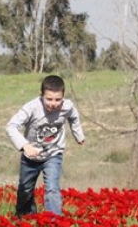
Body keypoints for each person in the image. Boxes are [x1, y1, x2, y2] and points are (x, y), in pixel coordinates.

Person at [5, 75, 85, 217]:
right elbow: (11, 126)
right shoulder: (31, 107)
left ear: (63, 97)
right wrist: (25, 146)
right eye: (49, 99)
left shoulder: (68, 106)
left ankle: (53, 223)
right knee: (25, 189)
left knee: (52, 188)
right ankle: (26, 218)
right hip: (30, 157)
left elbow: (74, 117)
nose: (53, 103)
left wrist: (79, 135)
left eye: (58, 99)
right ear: (41, 95)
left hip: (53, 154)